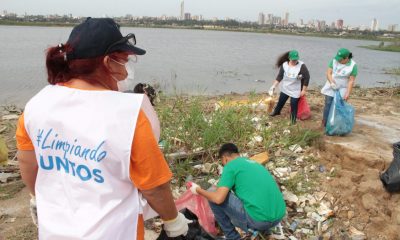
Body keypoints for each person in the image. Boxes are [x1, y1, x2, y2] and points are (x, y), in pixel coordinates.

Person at [15, 18, 190, 240]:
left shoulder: (37, 105)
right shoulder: (127, 114)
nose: (128, 69)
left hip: (54, 232)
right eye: (126, 60)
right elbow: (154, 187)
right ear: (108, 62)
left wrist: (36, 197)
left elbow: (28, 163)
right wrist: (173, 221)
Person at [189, 143, 286, 240]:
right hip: (278, 217)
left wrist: (198, 190)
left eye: (222, 162)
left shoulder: (230, 166)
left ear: (225, 158)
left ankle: (232, 237)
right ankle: (267, 231)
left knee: (213, 196)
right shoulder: (254, 163)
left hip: (259, 221)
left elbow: (218, 199)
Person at [268, 50, 310, 124]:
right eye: (293, 59)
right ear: (289, 58)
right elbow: (279, 77)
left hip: (295, 90)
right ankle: (276, 112)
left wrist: (303, 90)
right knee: (281, 101)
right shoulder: (284, 65)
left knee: (294, 104)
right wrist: (273, 86)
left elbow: (307, 77)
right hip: (285, 88)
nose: (294, 61)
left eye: (296, 59)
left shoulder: (301, 66)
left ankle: (293, 120)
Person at [321, 48, 358, 126]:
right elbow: (328, 73)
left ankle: (336, 123)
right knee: (328, 103)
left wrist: (348, 93)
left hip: (343, 87)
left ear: (347, 58)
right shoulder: (334, 60)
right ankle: (325, 123)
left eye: (341, 60)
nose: (338, 61)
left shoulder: (353, 66)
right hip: (331, 84)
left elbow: (351, 80)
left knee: (339, 105)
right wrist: (331, 82)